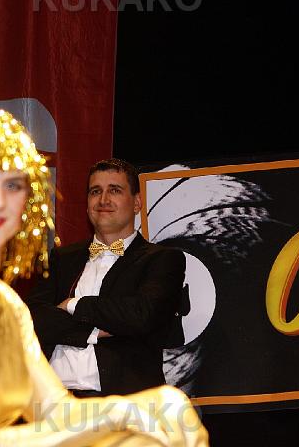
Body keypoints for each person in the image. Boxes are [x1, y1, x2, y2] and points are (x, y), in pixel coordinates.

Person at [0, 103, 208, 446]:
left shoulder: (7, 304)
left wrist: (148, 408)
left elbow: (57, 413)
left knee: (162, 428)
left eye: (12, 185)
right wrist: (125, 415)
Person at [26, 158, 186, 396]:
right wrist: (94, 331)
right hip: (52, 399)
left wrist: (72, 305)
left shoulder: (163, 259)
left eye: (115, 190)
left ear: (137, 203)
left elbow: (141, 316)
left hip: (125, 402)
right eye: (95, 191)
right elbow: (32, 319)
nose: (103, 200)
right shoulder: (62, 258)